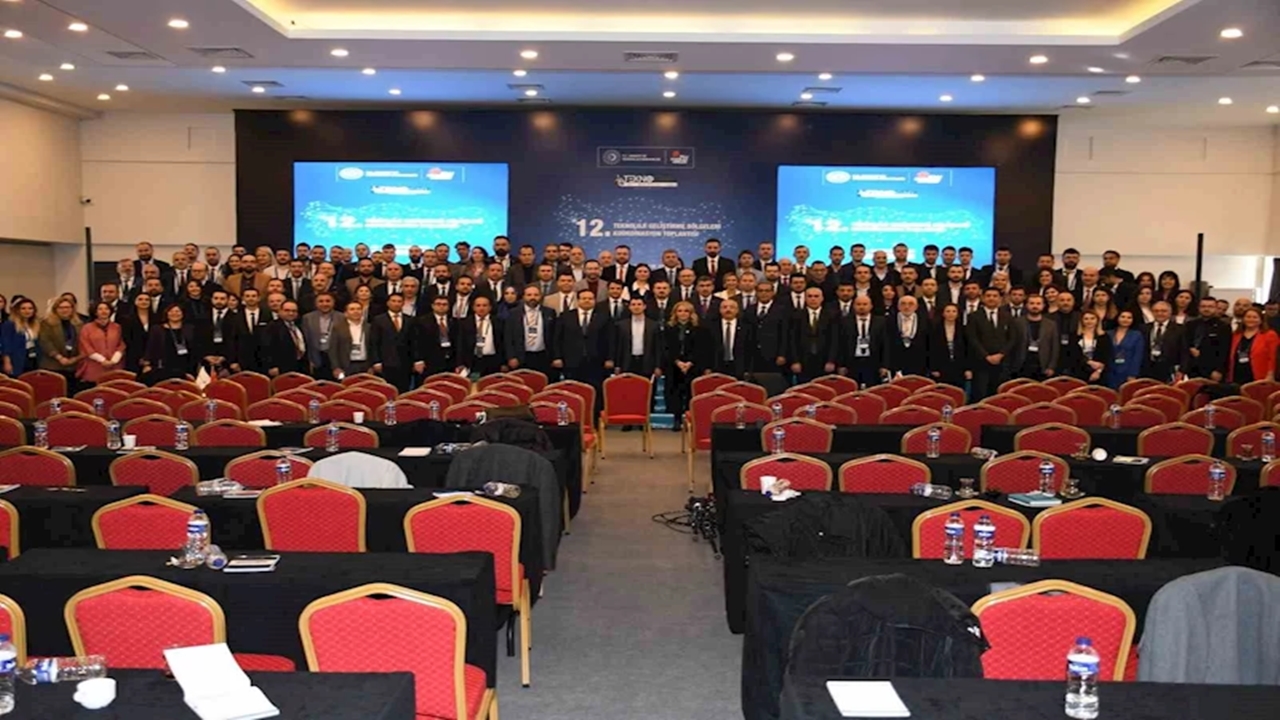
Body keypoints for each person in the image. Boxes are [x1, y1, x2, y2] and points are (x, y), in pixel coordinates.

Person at [552, 288, 611, 388]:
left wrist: (610, 358)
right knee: (572, 388)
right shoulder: (565, 316)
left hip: (596, 361)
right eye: (584, 298)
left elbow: (610, 339)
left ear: (595, 300)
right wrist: (557, 357)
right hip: (571, 361)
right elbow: (557, 338)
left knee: (594, 389)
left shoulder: (604, 317)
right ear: (578, 300)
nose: (587, 301)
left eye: (590, 298)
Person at [966, 288, 1015, 399]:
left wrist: (1001, 354)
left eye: (995, 296)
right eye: (988, 296)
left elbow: (1012, 339)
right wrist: (986, 356)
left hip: (1002, 362)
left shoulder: (1008, 316)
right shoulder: (974, 316)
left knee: (1000, 396)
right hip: (981, 362)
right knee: (980, 394)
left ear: (1000, 299)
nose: (991, 298)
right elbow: (972, 339)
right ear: (982, 298)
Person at [662, 300, 705, 424]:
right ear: (675, 313)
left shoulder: (699, 329)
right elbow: (665, 348)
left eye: (686, 311)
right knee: (675, 393)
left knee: (690, 392)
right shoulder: (668, 328)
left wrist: (690, 362)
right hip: (674, 365)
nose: (683, 313)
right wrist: (677, 362)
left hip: (692, 366)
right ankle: (676, 419)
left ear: (691, 313)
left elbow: (701, 348)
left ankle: (689, 420)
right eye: (680, 311)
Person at [369, 294, 421, 391]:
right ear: (388, 303)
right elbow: (374, 342)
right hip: (386, 363)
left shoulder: (410, 320)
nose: (396, 304)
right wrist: (376, 361)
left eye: (399, 301)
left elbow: (414, 342)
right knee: (387, 390)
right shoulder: (378, 320)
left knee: (404, 390)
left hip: (405, 363)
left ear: (403, 303)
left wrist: (416, 360)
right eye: (393, 301)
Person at [504, 285, 555, 375]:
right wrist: (511, 357)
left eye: (536, 295)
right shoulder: (514, 313)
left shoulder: (549, 312)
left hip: (543, 356)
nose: (532, 297)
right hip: (521, 356)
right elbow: (508, 337)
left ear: (541, 296)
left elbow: (554, 336)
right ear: (523, 297)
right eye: (529, 295)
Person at [37, 297, 85, 393]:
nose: (65, 310)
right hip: (53, 365)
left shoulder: (79, 324)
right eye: (61, 308)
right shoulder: (46, 323)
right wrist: (59, 357)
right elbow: (45, 342)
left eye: (67, 307)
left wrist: (75, 359)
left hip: (74, 365)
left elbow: (83, 342)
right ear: (55, 309)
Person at [790, 287, 838, 382]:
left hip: (824, 361)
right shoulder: (796, 316)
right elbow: (792, 340)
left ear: (822, 298)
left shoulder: (832, 316)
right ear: (805, 298)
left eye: (816, 296)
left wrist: (831, 360)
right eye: (810, 296)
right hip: (803, 361)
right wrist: (795, 361)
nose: (813, 299)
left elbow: (835, 340)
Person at [142, 303, 199, 381]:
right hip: (163, 366)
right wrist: (147, 364)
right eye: (171, 311)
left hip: (186, 367)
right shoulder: (157, 329)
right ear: (167, 314)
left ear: (183, 314)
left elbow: (196, 348)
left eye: (177, 311)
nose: (174, 314)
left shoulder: (190, 328)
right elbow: (150, 347)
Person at [77, 301, 125, 386]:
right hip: (94, 366)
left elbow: (121, 344)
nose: (104, 311)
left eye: (106, 309)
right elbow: (86, 346)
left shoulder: (117, 327)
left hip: (114, 365)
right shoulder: (87, 328)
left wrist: (113, 360)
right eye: (100, 309)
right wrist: (102, 360)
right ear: (95, 312)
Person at [1013, 294, 1059, 380]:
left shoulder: (1051, 324)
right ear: (1026, 305)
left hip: (1042, 364)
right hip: (1021, 364)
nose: (1035, 306)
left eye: (1038, 303)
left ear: (1043, 305)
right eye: (1032, 303)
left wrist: (1051, 367)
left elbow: (1055, 347)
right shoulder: (1017, 322)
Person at [456, 295, 504, 376]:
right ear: (473, 307)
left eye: (485, 305)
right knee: (474, 382)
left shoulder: (498, 322)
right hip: (473, 361)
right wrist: (460, 363)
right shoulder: (465, 323)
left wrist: (503, 362)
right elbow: (460, 344)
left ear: (490, 307)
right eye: (478, 305)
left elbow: (503, 343)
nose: (481, 308)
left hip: (493, 360)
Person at [1185, 296, 1231, 381]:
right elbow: (1184, 344)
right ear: (1199, 308)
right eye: (1203, 306)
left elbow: (1225, 351)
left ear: (1216, 308)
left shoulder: (1223, 326)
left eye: (1210, 307)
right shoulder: (1190, 325)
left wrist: (1219, 370)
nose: (1206, 309)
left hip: (1211, 369)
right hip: (1190, 368)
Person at [1228, 308, 1279, 384]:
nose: (1251, 319)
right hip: (1237, 373)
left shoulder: (1270, 335)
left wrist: (1270, 374)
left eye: (1255, 317)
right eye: (1248, 317)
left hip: (1259, 375)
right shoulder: (1236, 335)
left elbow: (1273, 357)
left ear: (1261, 320)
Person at [885, 295, 930, 378]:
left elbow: (929, 344)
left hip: (919, 364)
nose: (907, 307)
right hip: (895, 363)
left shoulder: (925, 321)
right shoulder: (888, 320)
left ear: (916, 307)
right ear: (898, 306)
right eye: (903, 304)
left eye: (911, 304)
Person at [327, 300, 374, 379]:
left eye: (358, 309)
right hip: (346, 365)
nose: (356, 311)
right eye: (352, 309)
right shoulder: (338, 328)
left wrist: (371, 366)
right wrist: (336, 367)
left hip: (365, 365)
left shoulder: (369, 327)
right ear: (346, 313)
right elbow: (333, 349)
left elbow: (373, 347)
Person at [1144, 301, 1189, 382]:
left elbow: (1184, 352)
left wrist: (1182, 370)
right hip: (1147, 370)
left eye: (1163, 311)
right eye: (1156, 311)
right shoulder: (1144, 328)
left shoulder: (1180, 329)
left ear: (1170, 312)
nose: (1160, 313)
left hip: (1170, 370)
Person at [928, 303, 969, 389]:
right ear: (943, 313)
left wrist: (968, 368)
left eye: (954, 311)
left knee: (958, 392)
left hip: (959, 368)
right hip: (941, 368)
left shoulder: (964, 329)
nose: (951, 314)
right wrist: (933, 368)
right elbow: (931, 349)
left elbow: (968, 350)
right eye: (948, 311)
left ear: (957, 314)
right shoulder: (934, 328)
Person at [1065, 310, 1112, 384]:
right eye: (1086, 319)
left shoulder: (1104, 337)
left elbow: (1107, 355)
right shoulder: (1075, 335)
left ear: (1097, 320)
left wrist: (1098, 371)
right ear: (1082, 321)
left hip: (1099, 373)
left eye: (1092, 318)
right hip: (1078, 371)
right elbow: (1072, 354)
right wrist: (1088, 362)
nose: (1089, 321)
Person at [709, 298, 751, 379]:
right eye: (724, 307)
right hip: (717, 366)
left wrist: (748, 369)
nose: (728, 310)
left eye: (732, 307)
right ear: (720, 310)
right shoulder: (711, 326)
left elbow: (749, 349)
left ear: (737, 310)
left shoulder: (746, 327)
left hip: (739, 367)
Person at [1105, 310, 1145, 389]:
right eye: (1123, 317)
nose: (1125, 319)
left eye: (1129, 318)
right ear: (1117, 318)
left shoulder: (1137, 335)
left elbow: (1137, 356)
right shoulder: (1108, 334)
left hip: (1127, 371)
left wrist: (1132, 374)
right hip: (1109, 371)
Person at [0, 297, 40, 377]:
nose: (27, 311)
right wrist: (7, 362)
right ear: (17, 310)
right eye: (23, 308)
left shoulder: (35, 324)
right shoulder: (10, 325)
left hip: (33, 358)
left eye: (30, 308)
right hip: (17, 359)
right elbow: (6, 344)